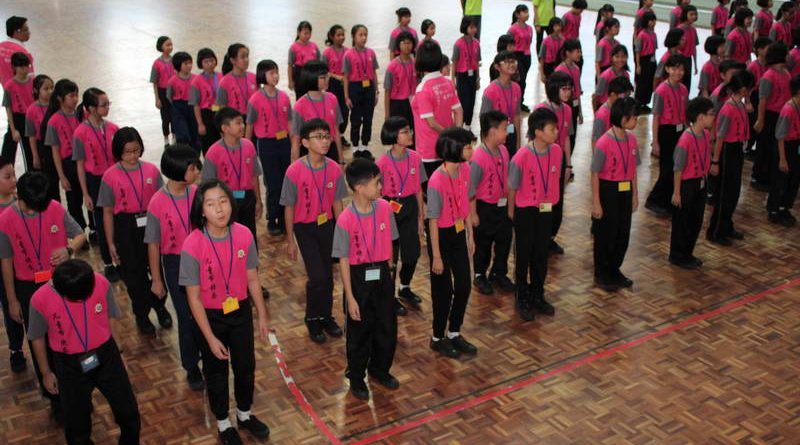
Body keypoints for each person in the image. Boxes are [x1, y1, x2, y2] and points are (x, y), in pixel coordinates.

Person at [179, 179, 270, 444]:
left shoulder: (244, 234)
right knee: (216, 372)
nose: (219, 209)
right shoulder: (192, 244)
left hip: (239, 311)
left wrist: (262, 316)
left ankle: (244, 414)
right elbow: (193, 298)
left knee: (245, 366)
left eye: (223, 201)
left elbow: (252, 278)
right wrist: (209, 337)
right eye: (210, 204)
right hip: (210, 317)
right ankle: (223, 422)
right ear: (201, 210)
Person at [0, 171, 87, 421]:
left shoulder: (55, 208)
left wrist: (68, 249)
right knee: (40, 340)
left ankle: (78, 392)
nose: (34, 211)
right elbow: (6, 262)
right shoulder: (5, 220)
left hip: (60, 283)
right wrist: (12, 300)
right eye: (30, 207)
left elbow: (80, 234)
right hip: (28, 287)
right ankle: (55, 397)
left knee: (69, 335)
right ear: (20, 197)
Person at [28, 259, 140, 445]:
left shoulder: (100, 282)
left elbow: (111, 318)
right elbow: (37, 337)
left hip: (106, 355)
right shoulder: (40, 299)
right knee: (77, 426)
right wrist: (46, 372)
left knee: (129, 412)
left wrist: (119, 351)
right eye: (78, 298)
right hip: (68, 364)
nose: (82, 300)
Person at [333, 158, 400, 400]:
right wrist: (350, 297)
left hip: (381, 272)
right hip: (358, 276)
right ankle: (356, 376)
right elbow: (343, 259)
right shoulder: (345, 220)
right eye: (376, 183)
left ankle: (380, 369)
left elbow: (391, 242)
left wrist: (390, 272)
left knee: (386, 326)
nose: (381, 187)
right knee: (360, 331)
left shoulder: (384, 208)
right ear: (360, 188)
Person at [97, 127, 172, 334]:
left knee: (157, 269)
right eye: (127, 152)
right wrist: (110, 243)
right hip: (126, 227)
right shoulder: (110, 176)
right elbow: (107, 212)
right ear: (118, 152)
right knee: (134, 275)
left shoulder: (151, 171)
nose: (132, 156)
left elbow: (162, 202)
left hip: (150, 222)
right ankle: (141, 314)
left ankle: (160, 306)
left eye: (136, 150)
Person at [280, 119, 347, 343]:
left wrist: (342, 232)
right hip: (304, 228)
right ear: (305, 142)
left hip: (326, 225)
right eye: (319, 137)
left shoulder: (334, 168)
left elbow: (337, 203)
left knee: (328, 274)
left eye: (327, 136)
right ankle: (311, 317)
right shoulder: (294, 171)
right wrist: (290, 240)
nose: (325, 141)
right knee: (317, 276)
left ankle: (326, 315)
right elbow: (289, 207)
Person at [145, 144, 204, 390]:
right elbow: (153, 243)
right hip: (175, 263)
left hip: (201, 258)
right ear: (179, 171)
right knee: (186, 315)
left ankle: (208, 353)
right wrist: (157, 279)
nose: (197, 171)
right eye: (193, 168)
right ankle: (191, 365)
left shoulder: (197, 193)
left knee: (206, 310)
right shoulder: (157, 202)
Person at [203, 107, 268, 300]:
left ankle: (252, 282)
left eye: (242, 122)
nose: (242, 126)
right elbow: (208, 186)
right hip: (225, 204)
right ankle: (232, 283)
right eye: (238, 123)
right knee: (229, 244)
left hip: (246, 199)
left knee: (249, 241)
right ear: (224, 128)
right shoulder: (213, 153)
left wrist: (258, 200)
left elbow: (254, 175)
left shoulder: (248, 146)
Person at [426, 127, 476, 359]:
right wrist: (436, 256)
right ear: (455, 149)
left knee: (464, 285)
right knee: (443, 291)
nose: (471, 150)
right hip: (441, 237)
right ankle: (438, 337)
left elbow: (465, 204)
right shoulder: (436, 180)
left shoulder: (465, 170)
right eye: (467, 146)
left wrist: (470, 236)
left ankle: (454, 332)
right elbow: (433, 221)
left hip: (458, 233)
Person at [509, 108, 560, 320]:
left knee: (541, 254)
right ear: (538, 132)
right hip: (526, 211)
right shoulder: (521, 156)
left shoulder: (556, 151)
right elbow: (512, 187)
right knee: (524, 255)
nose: (556, 132)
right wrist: (512, 213)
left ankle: (537, 293)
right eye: (552, 129)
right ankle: (521, 296)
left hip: (546, 209)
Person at [376, 117, 425, 315]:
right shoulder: (382, 163)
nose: (410, 134)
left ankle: (404, 286)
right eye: (405, 132)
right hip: (389, 207)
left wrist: (421, 217)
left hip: (410, 207)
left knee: (412, 253)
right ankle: (389, 297)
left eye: (409, 130)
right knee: (391, 257)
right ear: (393, 137)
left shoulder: (416, 158)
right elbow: (377, 195)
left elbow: (419, 189)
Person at [591, 97, 640, 291]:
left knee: (623, 232)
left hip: (626, 190)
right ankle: (602, 272)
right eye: (633, 117)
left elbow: (633, 170)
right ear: (623, 118)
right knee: (606, 233)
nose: (636, 121)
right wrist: (596, 202)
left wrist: (635, 195)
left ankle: (614, 269)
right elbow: (594, 173)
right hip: (608, 189)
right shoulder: (604, 142)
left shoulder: (632, 140)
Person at [72, 87, 119, 282]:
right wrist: (85, 193)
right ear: (91, 108)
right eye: (103, 105)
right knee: (101, 221)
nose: (107, 107)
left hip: (114, 178)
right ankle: (108, 263)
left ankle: (120, 257)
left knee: (117, 218)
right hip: (95, 181)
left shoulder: (113, 128)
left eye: (108, 103)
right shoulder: (80, 133)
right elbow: (80, 165)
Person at [246, 59, 293, 236]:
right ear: (262, 75)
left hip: (284, 143)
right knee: (273, 183)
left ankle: (283, 217)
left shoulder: (284, 97)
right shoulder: (255, 99)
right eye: (271, 73)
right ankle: (272, 218)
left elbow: (290, 121)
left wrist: (293, 143)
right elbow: (249, 125)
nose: (276, 76)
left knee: (285, 182)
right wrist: (247, 147)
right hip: (267, 144)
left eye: (276, 72)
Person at [708, 70, 755, 245]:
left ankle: (727, 226)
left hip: (737, 150)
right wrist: (715, 161)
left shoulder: (740, 105)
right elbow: (720, 137)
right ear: (743, 90)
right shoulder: (728, 109)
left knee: (733, 192)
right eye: (750, 88)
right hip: (727, 151)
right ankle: (716, 231)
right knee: (724, 194)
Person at [470, 110, 514, 296]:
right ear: (493, 131)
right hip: (484, 208)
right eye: (505, 128)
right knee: (483, 244)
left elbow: (508, 180)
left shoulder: (504, 150)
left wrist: (510, 207)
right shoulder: (478, 157)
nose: (508, 132)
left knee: (504, 240)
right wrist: (473, 214)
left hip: (502, 206)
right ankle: (480, 274)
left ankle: (498, 273)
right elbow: (471, 190)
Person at [670, 97, 715, 269]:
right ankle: (677, 255)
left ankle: (687, 253)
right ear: (701, 117)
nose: (713, 117)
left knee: (696, 221)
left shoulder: (706, 135)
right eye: (711, 114)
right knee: (682, 221)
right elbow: (678, 168)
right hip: (686, 184)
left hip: (701, 182)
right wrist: (676, 192)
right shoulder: (686, 139)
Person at [412, 41, 463, 178]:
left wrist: (448, 135)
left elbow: (431, 123)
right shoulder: (448, 82)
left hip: (429, 150)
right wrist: (455, 136)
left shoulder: (423, 88)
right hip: (447, 148)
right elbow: (459, 111)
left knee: (431, 187)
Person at [646, 55, 688, 217]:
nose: (678, 72)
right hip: (666, 132)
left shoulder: (683, 89)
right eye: (675, 68)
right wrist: (655, 141)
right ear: (668, 69)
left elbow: (685, 114)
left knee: (676, 168)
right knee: (667, 169)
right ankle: (654, 199)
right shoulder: (661, 90)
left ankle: (667, 201)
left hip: (680, 131)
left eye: (681, 69)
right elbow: (656, 117)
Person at [44, 79, 87, 231]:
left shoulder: (81, 115)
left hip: (84, 160)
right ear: (60, 98)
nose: (75, 99)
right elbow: (55, 151)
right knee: (74, 201)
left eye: (76, 95)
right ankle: (79, 231)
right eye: (71, 96)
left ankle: (94, 229)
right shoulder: (53, 121)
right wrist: (61, 176)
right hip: (68, 163)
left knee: (89, 196)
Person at [291, 60, 345, 163]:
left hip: (331, 149)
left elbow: (336, 131)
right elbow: (296, 139)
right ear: (311, 78)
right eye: (323, 77)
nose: (327, 79)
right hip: (311, 152)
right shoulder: (299, 106)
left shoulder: (332, 99)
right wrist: (295, 165)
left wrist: (341, 160)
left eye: (327, 76)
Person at [754, 42, 791, 191]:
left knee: (774, 147)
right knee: (765, 146)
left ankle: (769, 175)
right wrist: (760, 119)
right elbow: (762, 100)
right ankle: (759, 177)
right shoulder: (768, 76)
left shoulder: (786, 73)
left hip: (781, 115)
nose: (789, 56)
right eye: (786, 53)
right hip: (769, 115)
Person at [0, 156, 24, 372]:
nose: (14, 180)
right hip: (3, 268)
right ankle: (16, 348)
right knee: (11, 307)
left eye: (14, 175)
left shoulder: (22, 203)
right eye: (8, 176)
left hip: (25, 265)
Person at [766, 74, 800, 226]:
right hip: (784, 147)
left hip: (795, 146)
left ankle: (784, 207)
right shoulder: (788, 110)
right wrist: (782, 158)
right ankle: (773, 210)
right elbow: (780, 136)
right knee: (780, 180)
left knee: (793, 180)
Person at [344, 24, 379, 160]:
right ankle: (355, 147)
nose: (364, 38)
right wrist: (347, 96)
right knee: (356, 119)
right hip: (355, 87)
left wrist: (376, 91)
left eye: (365, 35)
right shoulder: (348, 54)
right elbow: (346, 77)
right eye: (360, 35)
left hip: (369, 87)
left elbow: (374, 73)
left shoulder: (371, 53)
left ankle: (364, 146)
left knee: (368, 119)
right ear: (353, 36)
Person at [480, 51, 522, 154]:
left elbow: (516, 116)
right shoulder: (490, 91)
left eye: (513, 61)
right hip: (495, 135)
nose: (512, 64)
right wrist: (485, 147)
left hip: (511, 131)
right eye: (507, 62)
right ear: (497, 67)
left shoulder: (516, 88)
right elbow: (483, 120)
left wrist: (518, 142)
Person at [322, 25, 351, 148]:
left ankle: (341, 135)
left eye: (343, 35)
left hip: (345, 85)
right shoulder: (327, 52)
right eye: (338, 35)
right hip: (332, 85)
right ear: (332, 36)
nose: (341, 37)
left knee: (345, 111)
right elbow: (323, 70)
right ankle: (331, 134)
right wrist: (335, 76)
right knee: (333, 110)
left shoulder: (348, 51)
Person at [2, 52, 33, 165]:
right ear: (14, 67)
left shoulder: (33, 82)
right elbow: (8, 108)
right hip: (17, 118)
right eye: (21, 67)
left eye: (27, 66)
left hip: (30, 118)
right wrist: (13, 129)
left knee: (30, 151)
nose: (25, 70)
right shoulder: (9, 86)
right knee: (8, 150)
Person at [189, 48, 221, 155]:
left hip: (220, 112)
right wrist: (200, 124)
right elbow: (196, 105)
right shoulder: (196, 81)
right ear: (200, 64)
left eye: (212, 60)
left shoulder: (221, 77)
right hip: (206, 114)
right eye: (206, 62)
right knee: (208, 143)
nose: (210, 64)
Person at [384, 31, 416, 131]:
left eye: (409, 43)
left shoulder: (415, 63)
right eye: (404, 43)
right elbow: (387, 91)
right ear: (398, 45)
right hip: (397, 104)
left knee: (412, 131)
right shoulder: (392, 66)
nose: (407, 46)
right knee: (398, 132)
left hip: (412, 102)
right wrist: (387, 114)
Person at [452, 17, 481, 130]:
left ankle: (468, 127)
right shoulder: (458, 44)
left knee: (472, 102)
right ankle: (461, 126)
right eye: (471, 27)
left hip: (472, 75)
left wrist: (478, 79)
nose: (474, 30)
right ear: (465, 27)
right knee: (464, 102)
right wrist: (452, 79)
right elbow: (454, 62)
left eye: (475, 27)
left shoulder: (477, 43)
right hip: (462, 76)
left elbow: (477, 62)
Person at [167, 51, 199, 151]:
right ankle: (184, 154)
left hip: (193, 107)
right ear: (178, 65)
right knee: (182, 134)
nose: (189, 66)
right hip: (179, 108)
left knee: (195, 134)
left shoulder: (196, 79)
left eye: (190, 63)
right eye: (185, 63)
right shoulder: (172, 81)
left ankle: (195, 155)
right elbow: (169, 96)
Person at [592, 76, 634, 148]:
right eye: (624, 96)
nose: (626, 100)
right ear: (613, 95)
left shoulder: (620, 109)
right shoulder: (602, 115)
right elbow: (595, 141)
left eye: (628, 96)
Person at [217, 43, 257, 117]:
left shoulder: (254, 77)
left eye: (247, 56)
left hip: (253, 118)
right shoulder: (224, 82)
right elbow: (222, 107)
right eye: (242, 57)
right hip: (235, 120)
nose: (246, 60)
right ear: (233, 60)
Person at [24, 74, 52, 174]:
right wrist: (35, 156)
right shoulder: (31, 110)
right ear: (36, 90)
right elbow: (31, 136)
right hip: (43, 147)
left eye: (51, 88)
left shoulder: (58, 106)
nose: (50, 91)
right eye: (46, 89)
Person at [150, 36, 175, 144]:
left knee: (174, 115)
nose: (170, 47)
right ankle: (166, 139)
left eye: (171, 45)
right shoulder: (157, 63)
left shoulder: (175, 60)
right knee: (165, 117)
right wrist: (157, 99)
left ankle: (174, 137)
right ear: (161, 47)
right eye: (167, 45)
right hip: (162, 92)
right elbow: (155, 82)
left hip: (174, 92)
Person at [509, 4, 534, 112]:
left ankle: (520, 102)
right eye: (524, 12)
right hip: (517, 56)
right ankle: (516, 103)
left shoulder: (530, 28)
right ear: (517, 15)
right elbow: (507, 43)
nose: (527, 14)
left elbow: (530, 42)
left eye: (527, 12)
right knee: (520, 81)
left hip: (527, 57)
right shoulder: (513, 29)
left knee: (523, 81)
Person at [288, 21, 321, 101]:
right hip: (299, 74)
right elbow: (290, 66)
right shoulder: (293, 47)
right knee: (301, 98)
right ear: (298, 33)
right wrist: (290, 81)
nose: (307, 35)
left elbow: (319, 63)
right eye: (305, 33)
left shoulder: (314, 46)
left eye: (309, 33)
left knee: (313, 97)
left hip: (313, 74)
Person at [634, 12, 658, 112]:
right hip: (644, 60)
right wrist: (638, 65)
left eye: (654, 20)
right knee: (642, 83)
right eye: (651, 20)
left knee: (649, 82)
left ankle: (645, 103)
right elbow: (638, 51)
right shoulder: (642, 35)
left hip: (652, 60)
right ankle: (638, 103)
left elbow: (654, 49)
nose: (653, 22)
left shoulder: (654, 34)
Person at [0, 16, 33, 84]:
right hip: (21, 89)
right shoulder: (23, 54)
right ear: (16, 32)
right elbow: (30, 79)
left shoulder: (1, 46)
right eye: (26, 30)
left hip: (7, 88)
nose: (29, 32)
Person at [678, 5, 700, 90]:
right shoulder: (679, 29)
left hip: (688, 60)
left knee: (687, 85)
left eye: (695, 14)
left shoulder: (693, 30)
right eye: (691, 14)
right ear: (685, 15)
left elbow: (694, 48)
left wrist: (695, 64)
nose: (693, 16)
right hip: (680, 60)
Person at [538, 17, 564, 82]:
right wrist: (542, 74)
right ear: (552, 27)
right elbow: (542, 58)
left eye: (560, 25)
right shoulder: (546, 41)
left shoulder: (563, 40)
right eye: (556, 26)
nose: (558, 28)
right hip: (548, 67)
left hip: (559, 65)